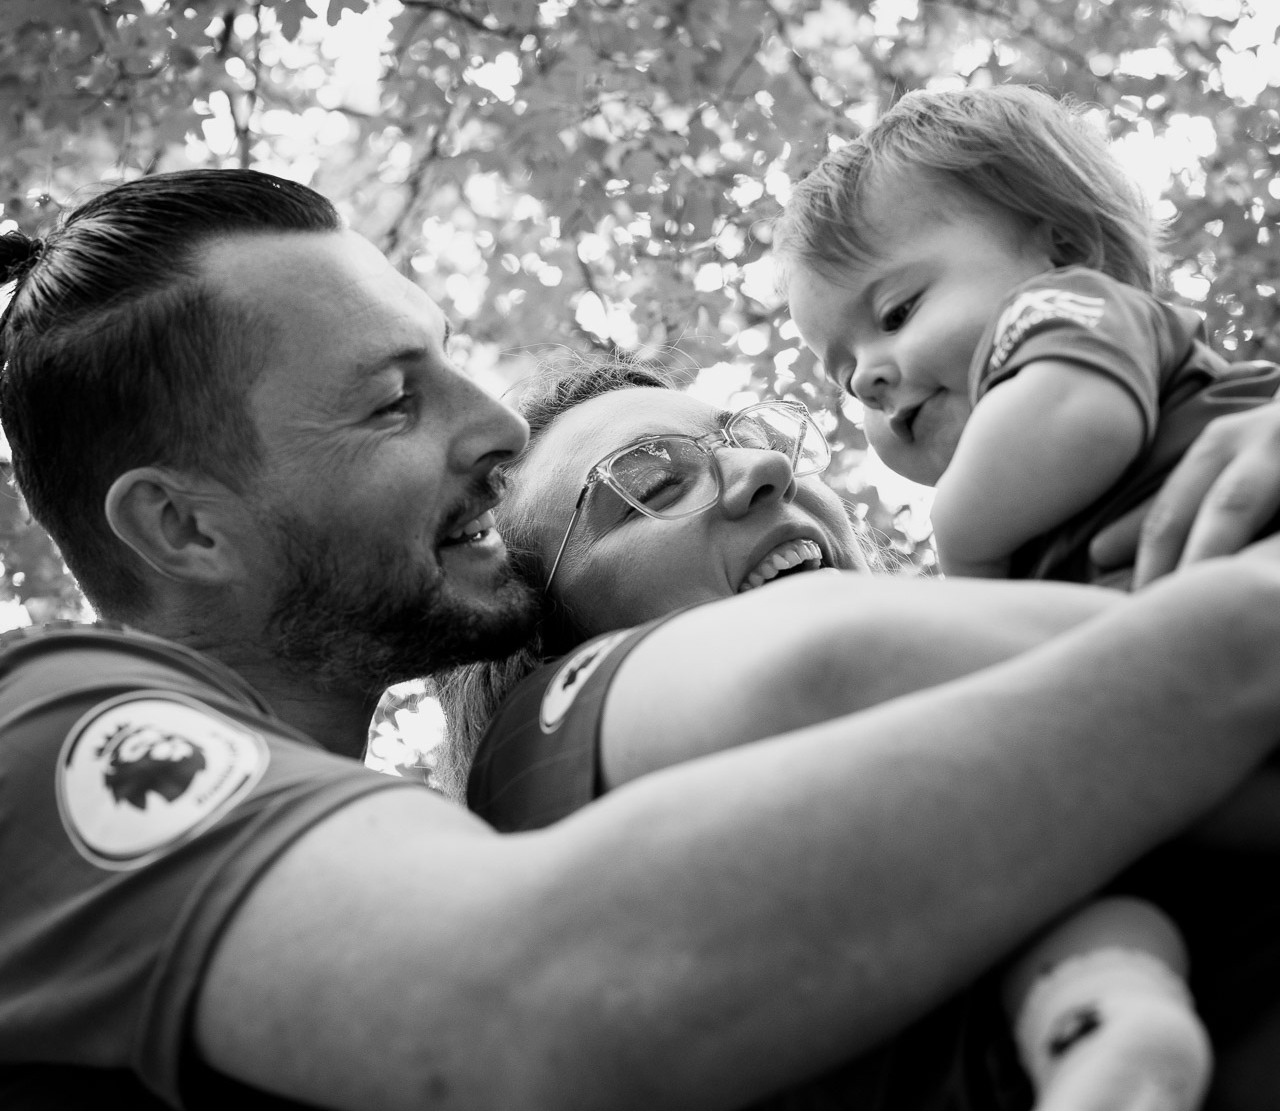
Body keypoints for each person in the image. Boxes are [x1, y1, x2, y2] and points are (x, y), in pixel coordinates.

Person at [5, 171, 1280, 1111]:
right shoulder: (50, 729)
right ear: (182, 524)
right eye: (394, 397)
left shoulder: (403, 847)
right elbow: (520, 998)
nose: (493, 420)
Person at [443, 354, 1260, 1109]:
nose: (764, 468)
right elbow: (829, 654)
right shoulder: (531, 757)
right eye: (651, 487)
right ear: (541, 641)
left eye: (749, 437)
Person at [776, 85, 1280, 584]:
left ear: (1061, 249)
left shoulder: (1067, 302)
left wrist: (961, 537)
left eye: (896, 314)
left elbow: (1081, 416)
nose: (865, 379)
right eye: (846, 378)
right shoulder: (1024, 526)